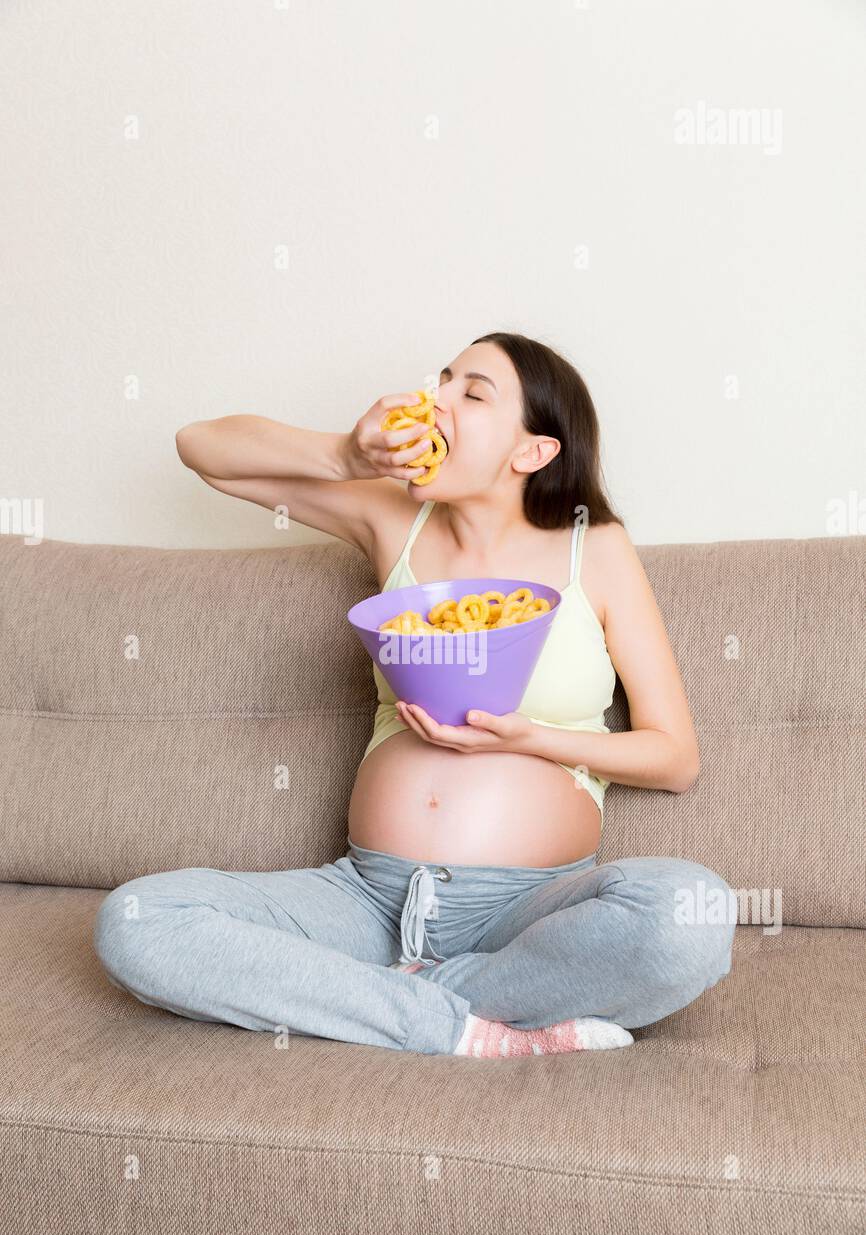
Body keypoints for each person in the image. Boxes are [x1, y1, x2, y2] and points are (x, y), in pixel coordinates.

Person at [93, 331, 737, 1058]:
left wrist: (533, 739)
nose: (437, 399)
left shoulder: (598, 550)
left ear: (533, 452)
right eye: (443, 379)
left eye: (474, 393)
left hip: (525, 915)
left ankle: (367, 1001)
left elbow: (675, 757)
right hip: (367, 898)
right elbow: (199, 447)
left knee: (693, 910)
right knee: (138, 918)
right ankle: (465, 1026)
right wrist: (344, 455)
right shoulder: (392, 517)